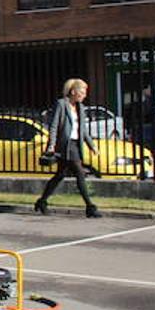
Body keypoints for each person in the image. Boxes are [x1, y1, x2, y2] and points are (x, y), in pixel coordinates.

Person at [36, 78, 102, 218]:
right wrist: (52, 144)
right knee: (79, 173)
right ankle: (90, 207)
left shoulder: (80, 108)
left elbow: (83, 130)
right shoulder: (61, 104)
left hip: (75, 145)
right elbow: (54, 126)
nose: (84, 95)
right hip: (65, 145)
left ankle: (42, 201)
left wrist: (92, 146)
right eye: (82, 91)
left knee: (60, 175)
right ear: (73, 92)